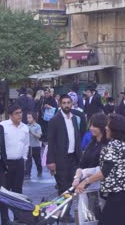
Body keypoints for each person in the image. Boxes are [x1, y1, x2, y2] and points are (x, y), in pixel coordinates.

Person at [74, 114, 125, 225]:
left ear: (114, 129)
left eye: (108, 126)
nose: (106, 128)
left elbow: (105, 171)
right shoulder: (123, 144)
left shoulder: (113, 145)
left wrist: (85, 181)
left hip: (118, 192)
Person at [46, 95, 84, 223]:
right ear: (60, 104)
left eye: (68, 103)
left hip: (74, 158)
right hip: (60, 159)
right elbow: (50, 142)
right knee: (63, 187)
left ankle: (63, 213)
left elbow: (77, 138)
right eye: (64, 103)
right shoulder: (54, 121)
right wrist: (50, 161)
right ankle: (61, 214)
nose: (67, 105)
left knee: (72, 187)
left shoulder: (75, 119)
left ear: (72, 103)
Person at [0, 105, 29, 195]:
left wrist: (24, 159)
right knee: (5, 189)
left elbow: (26, 145)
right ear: (10, 115)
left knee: (18, 189)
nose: (19, 115)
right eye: (16, 113)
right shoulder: (2, 126)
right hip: (6, 162)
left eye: (20, 113)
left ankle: (17, 209)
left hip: (19, 162)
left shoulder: (24, 127)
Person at [26, 112, 43, 179]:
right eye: (27, 117)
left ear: (33, 118)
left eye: (29, 117)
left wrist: (32, 132)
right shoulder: (26, 126)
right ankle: (28, 174)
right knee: (28, 161)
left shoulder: (37, 126)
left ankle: (39, 171)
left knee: (37, 160)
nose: (28, 119)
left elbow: (39, 136)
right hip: (28, 146)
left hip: (36, 146)